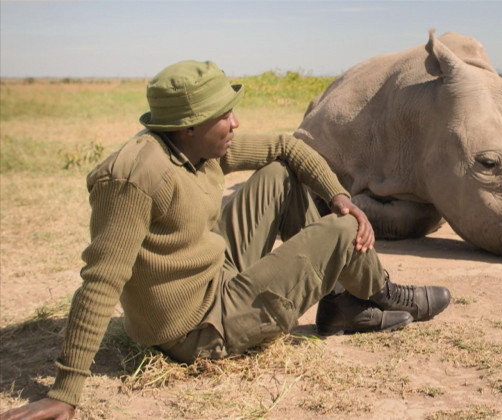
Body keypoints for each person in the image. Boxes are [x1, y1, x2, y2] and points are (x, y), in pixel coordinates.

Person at [0, 60, 451, 420]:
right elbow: (100, 281)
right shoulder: (136, 180)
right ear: (189, 126)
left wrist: (338, 195)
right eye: (223, 116)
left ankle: (345, 305)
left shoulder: (200, 147)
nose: (235, 123)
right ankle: (379, 292)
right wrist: (65, 391)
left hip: (214, 277)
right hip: (197, 328)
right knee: (344, 230)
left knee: (282, 176)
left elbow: (285, 147)